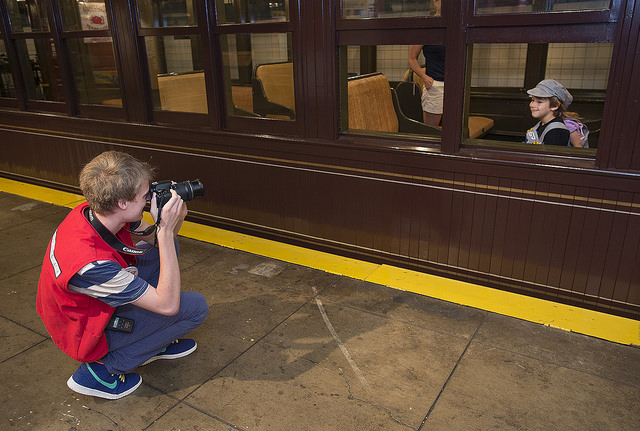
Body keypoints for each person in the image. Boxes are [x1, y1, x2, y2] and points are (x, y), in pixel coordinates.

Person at [36, 151, 209, 399]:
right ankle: (100, 372)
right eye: (144, 196)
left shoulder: (94, 212)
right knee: (195, 308)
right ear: (122, 203)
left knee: (164, 250)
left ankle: (155, 338)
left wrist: (166, 223)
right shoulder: (91, 264)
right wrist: (167, 232)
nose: (149, 200)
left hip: (90, 305)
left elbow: (154, 240)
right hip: (82, 330)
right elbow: (168, 305)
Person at [408, 0, 444, 127]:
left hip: (455, 86)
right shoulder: (426, 27)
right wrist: (424, 78)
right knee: (431, 130)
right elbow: (412, 58)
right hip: (435, 85)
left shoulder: (456, 28)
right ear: (435, 2)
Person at [525, 78, 586, 148]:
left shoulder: (557, 131)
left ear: (554, 106)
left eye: (539, 102)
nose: (532, 105)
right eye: (532, 100)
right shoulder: (542, 124)